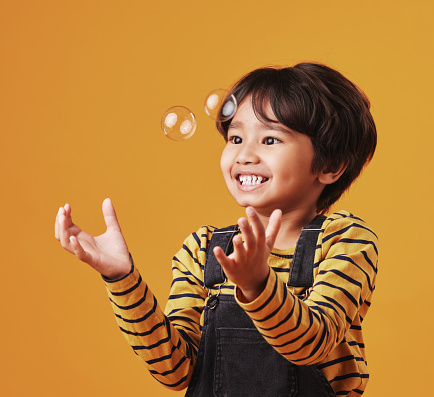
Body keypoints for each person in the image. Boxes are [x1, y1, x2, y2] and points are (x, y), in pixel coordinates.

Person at [55, 62, 378, 396]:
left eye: (270, 139)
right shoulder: (205, 248)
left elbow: (311, 344)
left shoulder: (344, 240)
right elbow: (177, 371)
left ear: (330, 165)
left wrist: (258, 285)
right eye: (235, 137)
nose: (244, 154)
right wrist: (122, 279)